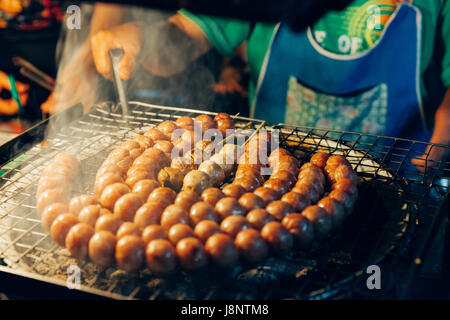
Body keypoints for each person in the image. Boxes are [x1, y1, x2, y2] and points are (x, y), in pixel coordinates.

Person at [56, 1, 450, 167]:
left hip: (396, 171)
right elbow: (180, 43)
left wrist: (440, 146)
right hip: (274, 165)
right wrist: (140, 40)